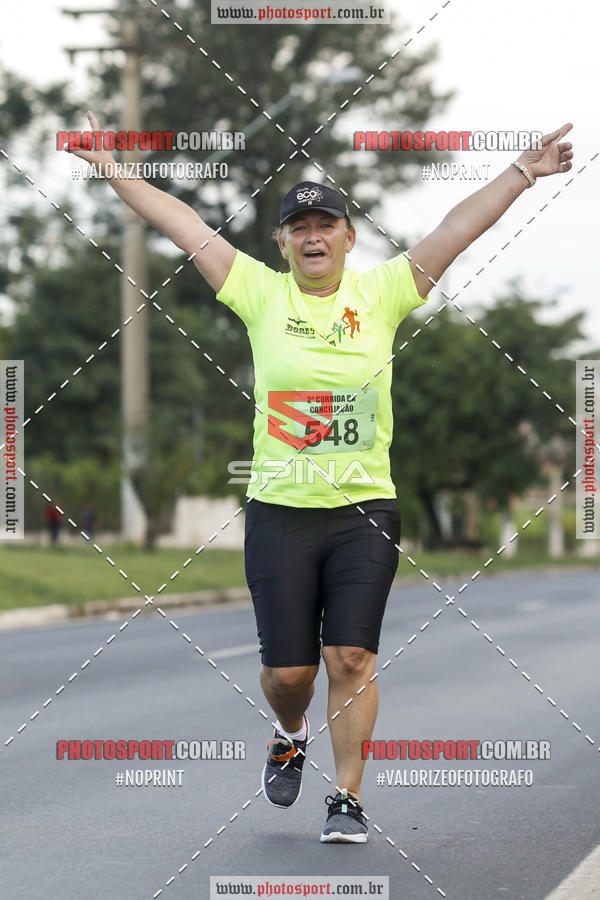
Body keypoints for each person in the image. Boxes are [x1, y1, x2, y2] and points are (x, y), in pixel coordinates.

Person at [67, 113, 573, 842]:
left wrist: (523, 171)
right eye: (298, 226)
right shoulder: (259, 294)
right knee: (291, 675)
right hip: (279, 512)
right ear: (282, 242)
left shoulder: (385, 293)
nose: (312, 236)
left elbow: (458, 228)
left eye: (325, 224)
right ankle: (291, 730)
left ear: (347, 237)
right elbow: (180, 222)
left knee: (352, 655)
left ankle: (348, 797)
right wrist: (111, 165)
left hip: (365, 509)